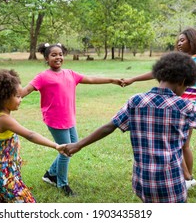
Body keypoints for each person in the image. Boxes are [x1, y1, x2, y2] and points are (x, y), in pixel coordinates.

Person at [64, 52, 196, 203]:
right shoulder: (184, 106)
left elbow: (109, 127)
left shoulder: (136, 101)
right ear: (182, 81)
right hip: (170, 182)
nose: (185, 91)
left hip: (142, 182)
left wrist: (78, 145)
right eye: (186, 87)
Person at [122, 27, 196, 189]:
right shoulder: (176, 60)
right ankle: (186, 178)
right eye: (178, 40)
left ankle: (187, 179)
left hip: (188, 109)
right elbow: (156, 73)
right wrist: (133, 79)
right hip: (170, 107)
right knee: (176, 144)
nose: (179, 43)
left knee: (182, 145)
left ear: (193, 41)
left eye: (183, 40)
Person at [21, 43, 123, 196]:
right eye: (54, 55)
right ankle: (62, 184)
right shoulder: (43, 76)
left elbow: (91, 79)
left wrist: (112, 80)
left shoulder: (70, 74)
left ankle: (50, 174)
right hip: (55, 120)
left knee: (74, 146)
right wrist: (12, 98)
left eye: (60, 54)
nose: (58, 57)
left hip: (69, 118)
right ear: (47, 58)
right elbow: (26, 90)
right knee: (66, 151)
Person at [0, 69, 66, 203]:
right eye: (17, 96)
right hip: (5, 171)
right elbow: (30, 135)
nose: (21, 99)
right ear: (4, 97)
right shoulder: (5, 119)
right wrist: (55, 145)